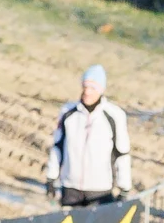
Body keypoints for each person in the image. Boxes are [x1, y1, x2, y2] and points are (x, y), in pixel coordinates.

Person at [48, 64, 132, 209]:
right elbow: (57, 147)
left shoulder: (115, 115)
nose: (87, 92)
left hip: (100, 190)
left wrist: (124, 187)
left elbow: (122, 153)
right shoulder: (68, 112)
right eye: (85, 87)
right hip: (70, 186)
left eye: (93, 88)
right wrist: (51, 178)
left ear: (101, 90)